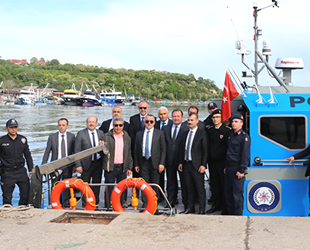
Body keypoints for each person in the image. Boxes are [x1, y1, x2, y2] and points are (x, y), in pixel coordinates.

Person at [41, 118, 75, 207]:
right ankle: (56, 203)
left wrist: (75, 165)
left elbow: (74, 152)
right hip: (55, 166)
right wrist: (44, 165)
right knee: (55, 186)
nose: (61, 127)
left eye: (63, 125)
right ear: (57, 126)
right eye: (60, 125)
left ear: (67, 126)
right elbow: (47, 151)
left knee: (67, 185)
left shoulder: (71, 136)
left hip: (68, 165)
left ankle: (66, 204)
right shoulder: (52, 137)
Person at [178, 113, 208, 214]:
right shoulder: (185, 133)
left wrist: (203, 165)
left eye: (192, 120)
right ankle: (190, 208)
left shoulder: (202, 133)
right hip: (187, 164)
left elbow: (205, 151)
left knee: (199, 188)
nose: (189, 122)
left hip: (197, 165)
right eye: (189, 120)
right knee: (189, 187)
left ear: (197, 121)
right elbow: (182, 149)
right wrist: (181, 162)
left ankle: (202, 209)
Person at [134, 114, 166, 207]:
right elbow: (136, 150)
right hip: (143, 161)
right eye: (147, 121)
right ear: (144, 122)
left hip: (155, 162)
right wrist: (136, 164)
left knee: (155, 184)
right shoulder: (139, 134)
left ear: (154, 122)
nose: (149, 123)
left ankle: (154, 204)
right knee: (144, 184)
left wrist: (162, 163)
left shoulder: (160, 133)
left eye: (151, 121)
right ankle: (145, 204)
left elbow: (163, 150)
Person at [0, 119, 33, 206]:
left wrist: (31, 169)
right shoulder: (1, 141)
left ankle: (21, 211)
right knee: (7, 198)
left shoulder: (23, 140)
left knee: (25, 194)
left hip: (21, 171)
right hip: (7, 172)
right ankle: (8, 216)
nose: (13, 129)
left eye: (15, 127)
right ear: (7, 128)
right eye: (11, 127)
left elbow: (27, 155)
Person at [102, 117, 133, 208]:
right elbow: (101, 152)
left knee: (121, 188)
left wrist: (129, 167)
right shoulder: (106, 136)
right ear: (113, 126)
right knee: (109, 188)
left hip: (122, 167)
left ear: (123, 126)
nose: (118, 127)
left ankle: (119, 206)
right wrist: (101, 146)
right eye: (116, 125)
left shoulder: (127, 137)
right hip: (110, 167)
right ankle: (108, 206)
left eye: (120, 125)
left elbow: (129, 153)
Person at [224, 113, 250, 215]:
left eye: (236, 121)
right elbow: (228, 152)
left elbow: (245, 154)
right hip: (229, 168)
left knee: (237, 195)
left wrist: (242, 170)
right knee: (228, 194)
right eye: (233, 121)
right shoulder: (231, 135)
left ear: (241, 123)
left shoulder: (244, 137)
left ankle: (238, 216)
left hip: (237, 169)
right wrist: (226, 166)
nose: (233, 123)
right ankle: (230, 216)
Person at [75, 116, 104, 206]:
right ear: (86, 123)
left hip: (98, 163)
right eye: (89, 122)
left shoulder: (101, 133)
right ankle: (85, 204)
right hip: (85, 164)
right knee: (85, 186)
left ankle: (95, 204)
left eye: (93, 122)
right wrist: (78, 165)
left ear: (96, 123)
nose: (91, 124)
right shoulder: (81, 134)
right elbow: (77, 150)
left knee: (96, 185)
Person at [206, 109, 231, 214]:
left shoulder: (227, 131)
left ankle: (225, 207)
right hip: (212, 163)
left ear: (221, 118)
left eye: (217, 117)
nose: (215, 119)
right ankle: (216, 205)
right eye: (214, 117)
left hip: (222, 163)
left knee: (223, 185)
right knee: (215, 185)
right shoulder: (210, 131)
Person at [163, 109, 188, 209]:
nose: (176, 118)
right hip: (169, 159)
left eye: (178, 116)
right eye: (174, 116)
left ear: (182, 117)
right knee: (170, 182)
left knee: (184, 182)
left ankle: (186, 202)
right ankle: (171, 201)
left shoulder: (186, 128)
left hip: (182, 160)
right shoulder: (166, 128)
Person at [154, 106, 172, 202]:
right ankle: (159, 196)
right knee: (159, 176)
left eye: (164, 114)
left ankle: (171, 197)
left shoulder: (173, 124)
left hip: (169, 155)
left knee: (171, 178)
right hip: (158, 155)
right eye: (160, 114)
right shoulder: (154, 124)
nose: (162, 116)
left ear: (168, 114)